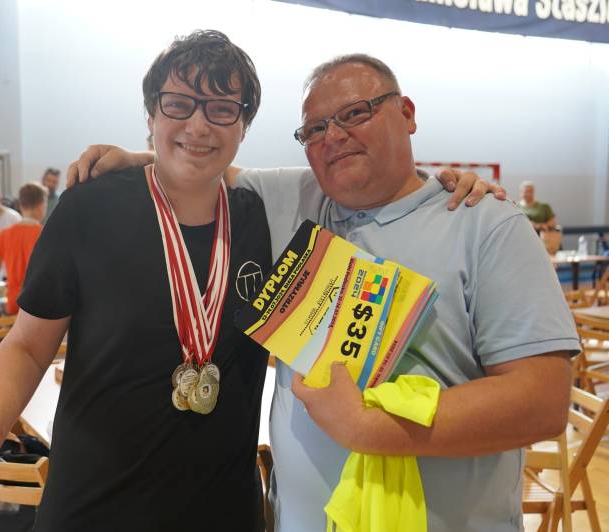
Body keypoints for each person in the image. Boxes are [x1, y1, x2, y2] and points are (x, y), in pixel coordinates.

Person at [69, 55, 577, 532]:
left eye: (355, 113)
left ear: (406, 114)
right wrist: (136, 158)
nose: (333, 136)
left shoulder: (485, 224)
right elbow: (209, 168)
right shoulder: (294, 199)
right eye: (314, 129)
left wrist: (369, 428)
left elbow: (542, 401)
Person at [0, 30, 273, 532]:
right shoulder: (89, 208)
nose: (198, 124)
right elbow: (28, 346)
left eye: (222, 109)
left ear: (244, 124)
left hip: (223, 512)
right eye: (178, 104)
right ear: (151, 114)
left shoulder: (263, 218)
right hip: (96, 507)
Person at [0, 182, 47, 315]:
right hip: (39, 305)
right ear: (42, 205)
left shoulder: (5, 235)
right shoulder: (45, 235)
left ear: (21, 205)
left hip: (14, 303)